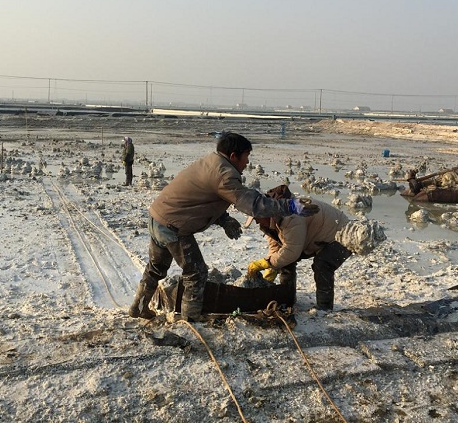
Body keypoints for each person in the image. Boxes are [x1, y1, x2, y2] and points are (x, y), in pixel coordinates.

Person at [128, 132, 319, 322]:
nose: (247, 162)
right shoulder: (224, 174)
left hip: (157, 217)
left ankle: (139, 307)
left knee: (156, 268)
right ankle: (190, 319)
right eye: (246, 157)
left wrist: (224, 219)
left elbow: (201, 198)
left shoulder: (211, 162)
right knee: (196, 273)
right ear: (234, 156)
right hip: (173, 226)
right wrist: (290, 206)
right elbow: (251, 203)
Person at [245, 184, 353, 311]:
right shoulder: (270, 222)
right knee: (283, 261)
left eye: (257, 218)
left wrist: (267, 262)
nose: (257, 222)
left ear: (265, 213)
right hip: (315, 238)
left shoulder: (291, 217)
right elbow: (276, 248)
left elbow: (292, 251)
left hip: (342, 235)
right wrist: (271, 266)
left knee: (322, 265)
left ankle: (324, 308)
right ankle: (288, 299)